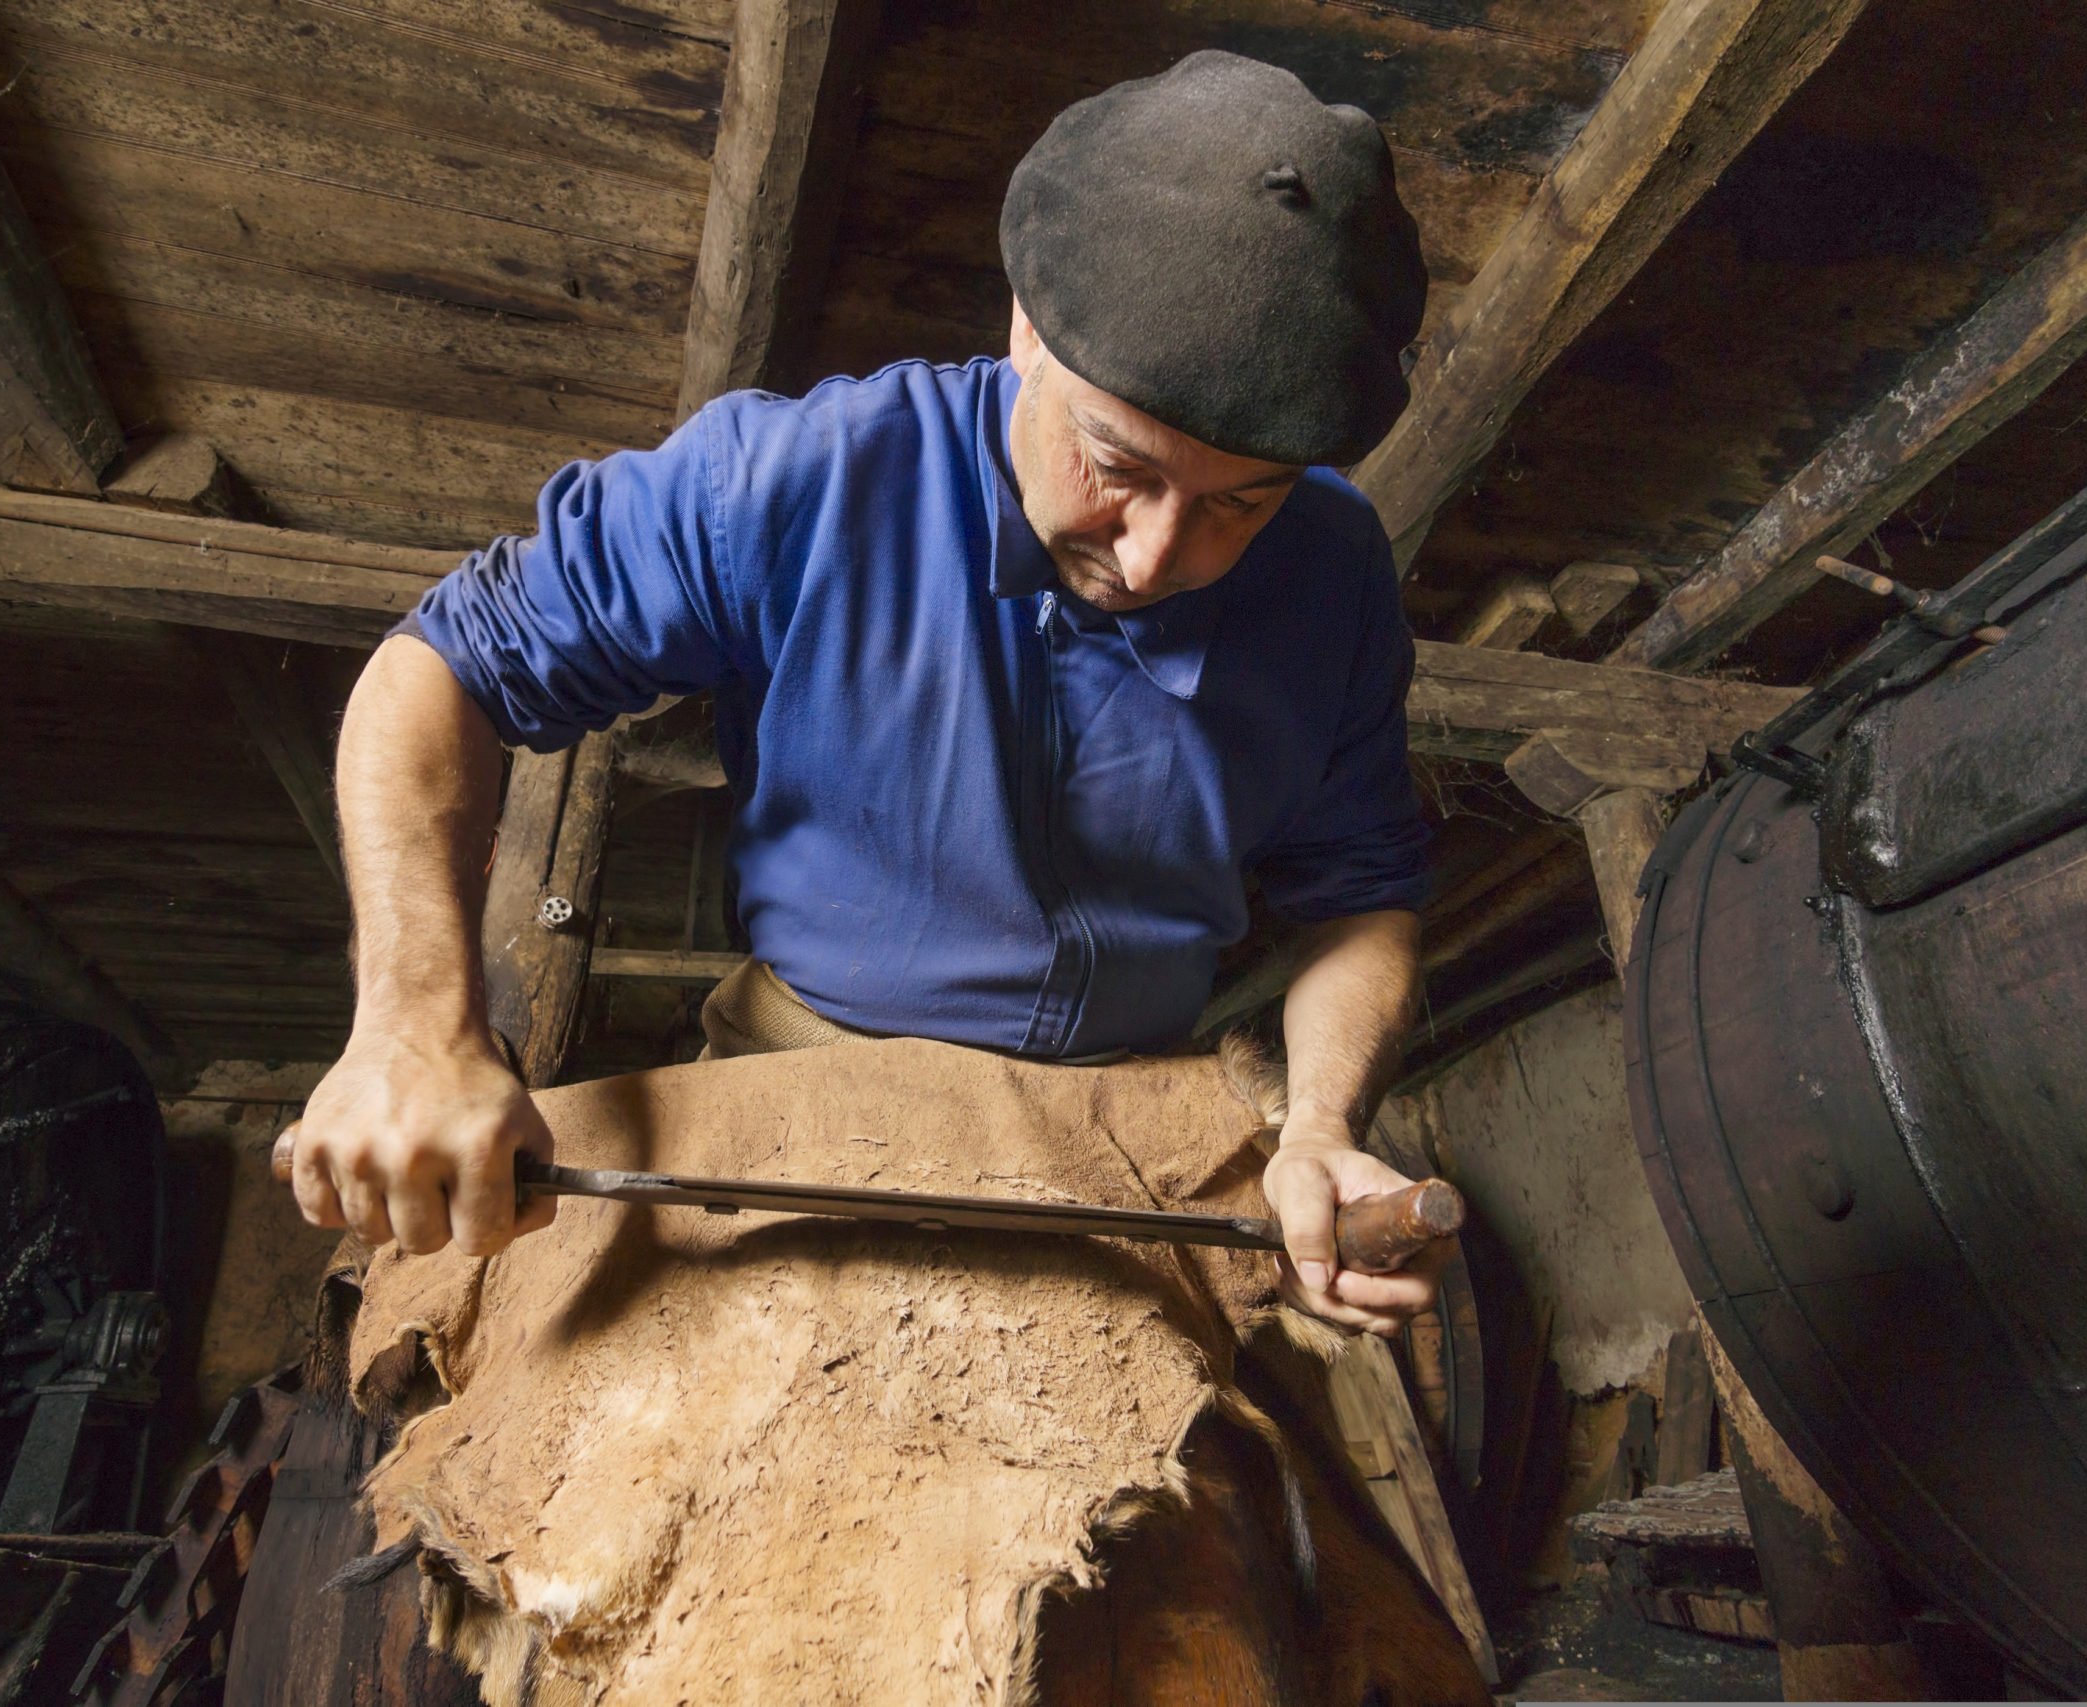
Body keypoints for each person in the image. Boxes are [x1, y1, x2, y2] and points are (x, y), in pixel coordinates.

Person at [288, 50, 1443, 1334]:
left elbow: (1362, 895)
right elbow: (438, 668)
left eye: (1239, 502)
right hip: (808, 1079)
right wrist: (410, 1021)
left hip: (1138, 1117)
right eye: (1115, 465)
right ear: (1024, 330)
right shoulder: (795, 480)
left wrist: (1326, 1124)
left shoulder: (1333, 568)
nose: (1155, 556)